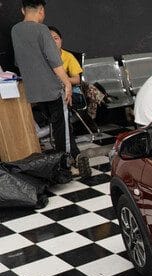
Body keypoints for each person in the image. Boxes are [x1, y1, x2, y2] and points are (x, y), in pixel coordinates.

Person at [11, 0, 88, 177]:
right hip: (52, 88)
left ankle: (67, 157)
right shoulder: (42, 30)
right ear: (41, 11)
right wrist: (67, 83)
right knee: (62, 127)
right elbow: (55, 61)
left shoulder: (15, 30)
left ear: (23, 10)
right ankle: (67, 164)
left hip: (33, 90)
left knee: (56, 127)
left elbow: (18, 61)